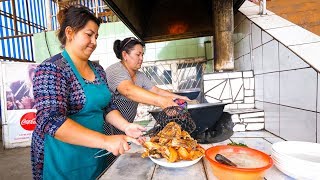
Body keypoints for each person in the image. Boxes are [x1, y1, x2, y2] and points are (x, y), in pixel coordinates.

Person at [31, 5, 145, 180]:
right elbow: (51, 120)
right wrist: (106, 141)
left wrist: (126, 126)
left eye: (96, 36)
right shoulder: (52, 69)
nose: (94, 41)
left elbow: (107, 106)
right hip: (64, 160)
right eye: (89, 34)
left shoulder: (98, 70)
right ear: (70, 33)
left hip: (94, 153)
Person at [104, 37, 190, 135]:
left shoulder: (140, 76)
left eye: (142, 54)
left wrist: (179, 98)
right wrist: (162, 101)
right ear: (125, 55)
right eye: (138, 54)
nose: (141, 58)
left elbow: (156, 91)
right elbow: (128, 90)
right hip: (107, 129)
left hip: (125, 129)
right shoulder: (115, 71)